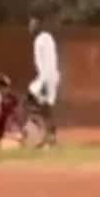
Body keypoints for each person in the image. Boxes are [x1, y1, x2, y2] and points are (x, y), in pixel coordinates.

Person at [27, 14, 59, 147]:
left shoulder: (42, 39)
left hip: (47, 77)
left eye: (33, 24)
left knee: (33, 101)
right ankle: (47, 136)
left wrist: (44, 82)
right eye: (30, 24)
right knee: (44, 107)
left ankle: (44, 135)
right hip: (48, 76)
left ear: (39, 25)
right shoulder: (44, 38)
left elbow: (49, 61)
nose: (30, 27)